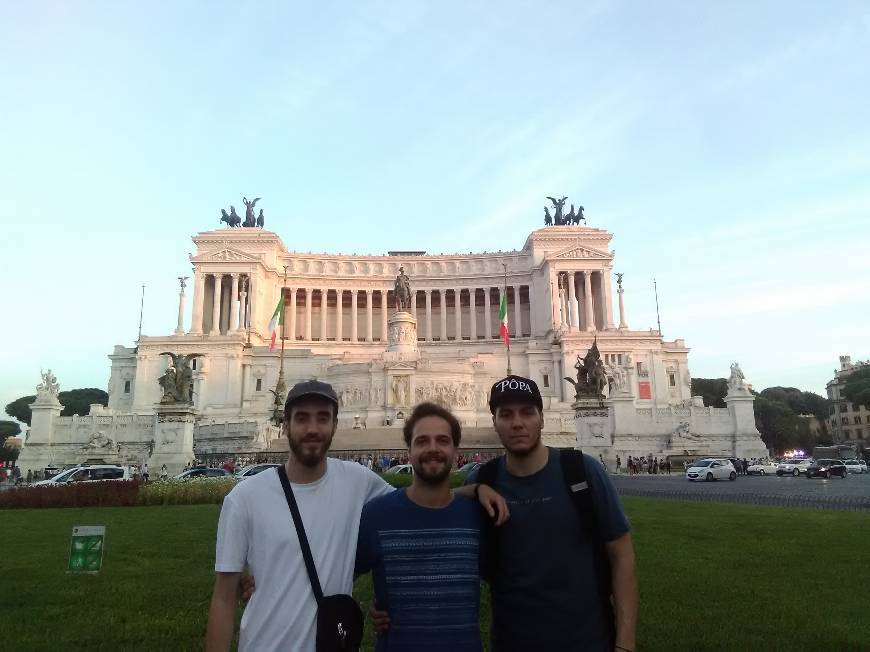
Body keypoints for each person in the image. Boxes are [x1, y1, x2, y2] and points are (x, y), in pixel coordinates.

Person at [207, 380, 506, 652]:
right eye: (302, 418)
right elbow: (222, 599)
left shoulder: (358, 482)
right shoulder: (244, 499)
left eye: (322, 418)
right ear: (285, 425)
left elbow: (419, 498)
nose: (313, 428)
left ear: (335, 425)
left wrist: (476, 490)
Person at [469, 375, 637, 652]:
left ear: (542, 418)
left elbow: (622, 555)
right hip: (512, 642)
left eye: (527, 412)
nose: (517, 423)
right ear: (495, 422)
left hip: (587, 641)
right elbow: (437, 521)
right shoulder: (482, 481)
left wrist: (625, 645)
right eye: (506, 414)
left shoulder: (584, 472)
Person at [356, 402, 483, 651]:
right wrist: (362, 609)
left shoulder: (477, 515)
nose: (433, 448)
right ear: (409, 450)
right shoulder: (376, 515)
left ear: (456, 449)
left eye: (442, 440)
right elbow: (338, 576)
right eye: (422, 441)